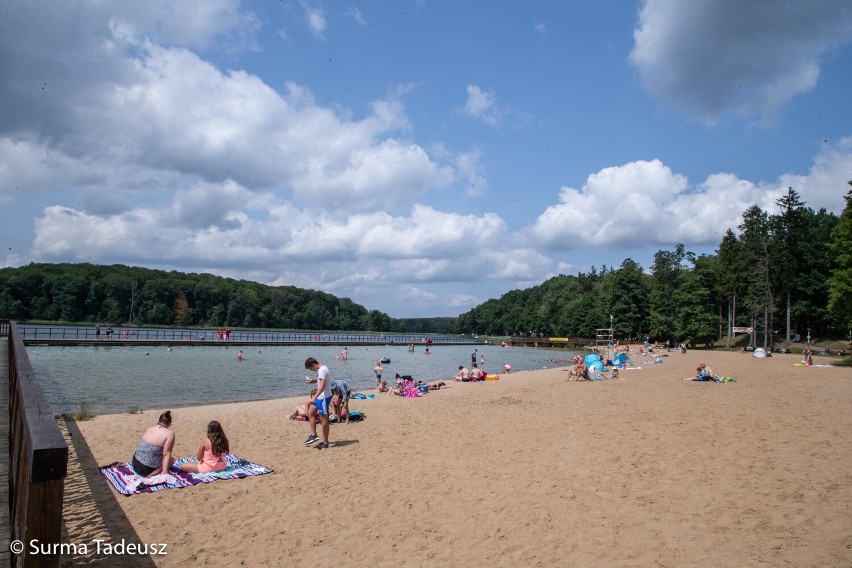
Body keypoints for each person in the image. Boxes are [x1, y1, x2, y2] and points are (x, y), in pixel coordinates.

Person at [131, 410, 175, 477]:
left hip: (135, 464)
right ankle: (152, 474)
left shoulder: (150, 429)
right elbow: (166, 454)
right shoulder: (169, 434)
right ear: (169, 423)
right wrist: (165, 473)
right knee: (171, 460)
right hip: (146, 470)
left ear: (159, 421)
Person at [304, 357, 332, 450]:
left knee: (324, 420)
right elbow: (323, 381)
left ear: (313, 365)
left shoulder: (322, 370)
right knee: (310, 413)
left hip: (323, 397)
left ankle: (325, 442)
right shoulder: (322, 369)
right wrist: (314, 381)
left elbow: (323, 385)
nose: (311, 370)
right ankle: (314, 435)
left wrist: (314, 397)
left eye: (310, 368)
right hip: (320, 397)